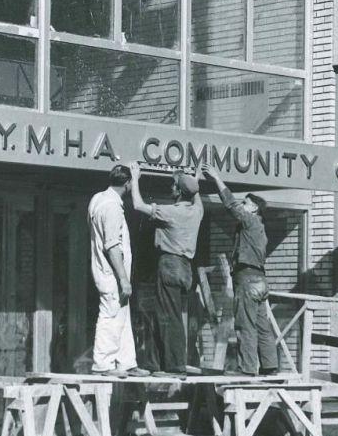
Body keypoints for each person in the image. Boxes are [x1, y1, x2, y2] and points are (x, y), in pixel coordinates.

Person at [202, 165, 279, 376]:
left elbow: (230, 205)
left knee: (245, 324)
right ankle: (270, 365)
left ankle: (246, 369)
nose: (243, 206)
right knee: (262, 325)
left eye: (247, 203)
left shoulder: (251, 221)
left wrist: (217, 178)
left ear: (254, 208)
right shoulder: (260, 228)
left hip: (247, 279)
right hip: (261, 279)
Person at [129, 161, 204, 376]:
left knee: (168, 317)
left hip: (169, 264)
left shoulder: (171, 212)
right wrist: (194, 179)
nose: (170, 188)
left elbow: (137, 205)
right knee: (171, 315)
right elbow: (195, 194)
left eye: (174, 186)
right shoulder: (196, 211)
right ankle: (160, 363)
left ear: (179, 192)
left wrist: (135, 177)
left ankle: (173, 365)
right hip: (185, 268)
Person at [87, 165, 149, 377]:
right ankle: (103, 364)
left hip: (106, 270)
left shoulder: (98, 198)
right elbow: (112, 245)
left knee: (121, 313)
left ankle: (126, 362)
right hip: (111, 272)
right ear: (127, 183)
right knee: (111, 314)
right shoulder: (112, 206)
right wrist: (123, 278)